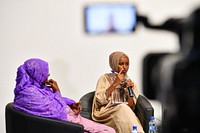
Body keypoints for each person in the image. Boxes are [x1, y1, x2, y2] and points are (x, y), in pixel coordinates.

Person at [13, 58, 115, 133]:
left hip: (69, 121)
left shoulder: (38, 88)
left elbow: (53, 101)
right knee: (108, 132)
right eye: (45, 74)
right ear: (37, 74)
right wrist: (57, 91)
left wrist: (71, 104)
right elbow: (57, 112)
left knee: (110, 130)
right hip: (65, 126)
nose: (48, 76)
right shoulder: (29, 94)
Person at [92, 51, 144, 133]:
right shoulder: (104, 78)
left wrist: (129, 91)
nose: (124, 67)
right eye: (121, 64)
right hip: (106, 113)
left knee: (123, 108)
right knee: (122, 108)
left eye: (127, 64)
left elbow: (130, 107)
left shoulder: (130, 82)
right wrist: (115, 83)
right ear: (114, 64)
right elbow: (100, 101)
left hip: (123, 112)